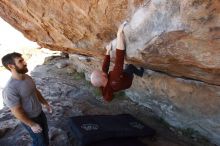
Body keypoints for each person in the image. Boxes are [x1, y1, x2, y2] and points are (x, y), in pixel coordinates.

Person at [1, 52, 52, 146]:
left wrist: (45, 103)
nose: (25, 62)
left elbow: (35, 91)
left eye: (23, 60)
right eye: (20, 61)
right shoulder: (10, 89)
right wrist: (32, 124)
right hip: (30, 118)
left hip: (40, 113)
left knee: (45, 135)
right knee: (40, 141)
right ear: (11, 66)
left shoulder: (27, 77)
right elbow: (16, 111)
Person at [91, 22, 144, 101]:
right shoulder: (114, 79)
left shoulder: (103, 83)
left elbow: (105, 68)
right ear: (103, 77)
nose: (102, 72)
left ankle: (133, 73)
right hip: (127, 81)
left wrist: (108, 51)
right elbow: (119, 61)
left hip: (119, 80)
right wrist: (119, 35)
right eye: (101, 73)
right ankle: (140, 73)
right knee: (129, 66)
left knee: (124, 68)